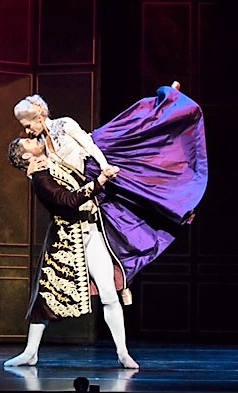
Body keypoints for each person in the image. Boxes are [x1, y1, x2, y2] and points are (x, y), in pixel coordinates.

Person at [12, 82, 207, 293]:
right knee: (123, 214)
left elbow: (89, 146)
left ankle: (170, 107)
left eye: (27, 125)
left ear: (39, 118)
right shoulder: (41, 142)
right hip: (88, 179)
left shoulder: (64, 124)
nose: (27, 131)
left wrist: (104, 167)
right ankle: (121, 272)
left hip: (98, 159)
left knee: (141, 143)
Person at [4, 135, 139, 370]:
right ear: (27, 156)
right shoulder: (40, 179)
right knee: (45, 297)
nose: (34, 139)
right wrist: (100, 182)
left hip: (91, 231)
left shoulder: (55, 158)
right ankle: (30, 352)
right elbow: (68, 201)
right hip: (66, 239)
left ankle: (123, 352)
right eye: (29, 142)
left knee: (109, 292)